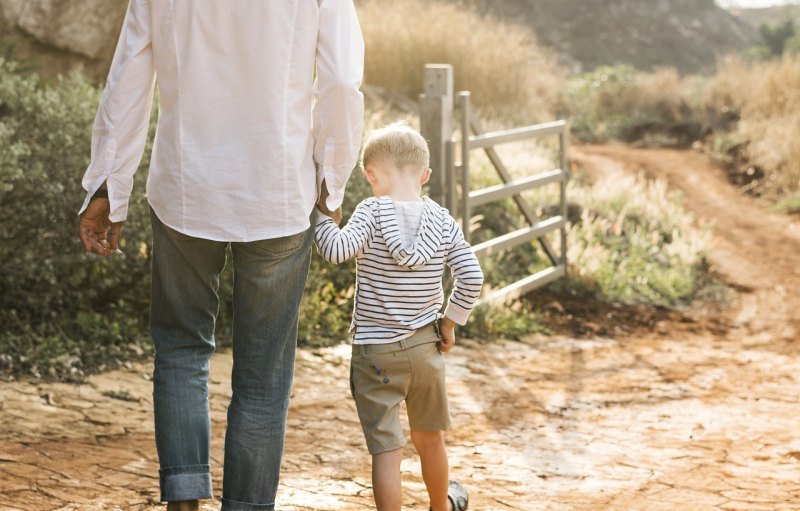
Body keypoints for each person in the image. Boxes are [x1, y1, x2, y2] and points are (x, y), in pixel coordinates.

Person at [76, 1, 364, 510]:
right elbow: (341, 83)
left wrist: (107, 185)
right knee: (263, 377)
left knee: (182, 350)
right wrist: (331, 181)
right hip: (278, 195)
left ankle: (184, 498)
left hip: (187, 192)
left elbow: (128, 77)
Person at [314, 123, 483, 511]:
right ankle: (442, 507)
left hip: (376, 353)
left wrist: (322, 216)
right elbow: (472, 275)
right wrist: (449, 322)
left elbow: (337, 250)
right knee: (430, 439)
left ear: (370, 175)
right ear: (425, 175)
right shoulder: (442, 220)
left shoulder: (371, 211)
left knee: (387, 451)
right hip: (426, 347)